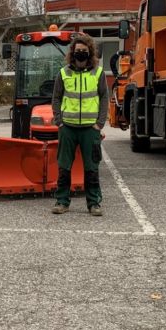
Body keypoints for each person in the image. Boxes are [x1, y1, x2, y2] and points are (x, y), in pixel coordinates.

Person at [51, 35, 109, 216]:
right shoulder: (63, 73)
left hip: (90, 129)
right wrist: (59, 121)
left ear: (90, 52)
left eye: (84, 51)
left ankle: (94, 203)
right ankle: (62, 201)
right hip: (67, 127)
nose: (81, 54)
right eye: (78, 51)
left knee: (92, 167)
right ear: (72, 53)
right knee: (64, 166)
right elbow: (56, 98)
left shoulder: (98, 73)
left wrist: (100, 124)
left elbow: (104, 97)